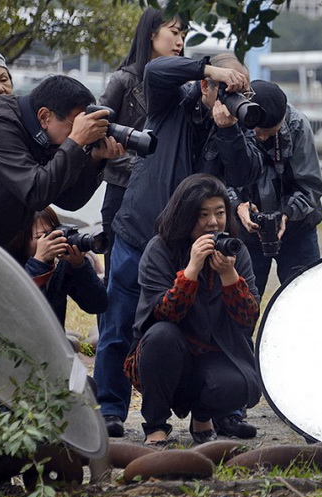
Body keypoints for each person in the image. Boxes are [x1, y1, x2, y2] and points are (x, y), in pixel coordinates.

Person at [95, 52, 257, 438]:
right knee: (120, 325)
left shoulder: (237, 123)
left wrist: (229, 130)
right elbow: (155, 70)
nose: (235, 96)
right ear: (205, 84)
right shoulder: (172, 103)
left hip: (200, 241)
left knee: (213, 326)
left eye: (242, 89)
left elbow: (246, 172)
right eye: (226, 87)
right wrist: (212, 69)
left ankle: (221, 411)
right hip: (140, 234)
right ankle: (112, 410)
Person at [124, 174, 260, 445]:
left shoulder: (236, 251)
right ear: (185, 215)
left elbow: (248, 319)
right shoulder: (160, 249)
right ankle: (155, 425)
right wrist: (192, 270)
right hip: (166, 353)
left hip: (214, 353)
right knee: (162, 335)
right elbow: (164, 315)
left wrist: (229, 276)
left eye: (220, 213)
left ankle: (202, 415)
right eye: (203, 214)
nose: (213, 222)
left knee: (240, 384)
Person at [0, 75, 124, 248]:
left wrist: (94, 160)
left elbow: (69, 200)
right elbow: (36, 193)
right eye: (75, 126)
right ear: (45, 116)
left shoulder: (39, 132)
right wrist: (75, 141)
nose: (78, 133)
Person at [97, 8, 187, 281]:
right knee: (118, 278)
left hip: (165, 195)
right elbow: (96, 130)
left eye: (183, 35)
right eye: (174, 32)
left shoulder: (183, 86)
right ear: (151, 34)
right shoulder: (123, 81)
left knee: (162, 277)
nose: (180, 42)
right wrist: (141, 166)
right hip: (123, 190)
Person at [234, 80, 322, 297]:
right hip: (245, 229)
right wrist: (237, 205)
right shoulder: (234, 121)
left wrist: (286, 213)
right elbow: (219, 179)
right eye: (258, 132)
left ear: (282, 120)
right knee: (241, 301)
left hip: (297, 229)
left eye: (270, 133)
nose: (262, 137)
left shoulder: (298, 125)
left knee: (305, 296)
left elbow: (310, 185)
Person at [5, 207, 107, 326]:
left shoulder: (60, 262)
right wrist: (39, 262)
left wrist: (80, 266)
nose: (51, 242)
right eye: (41, 237)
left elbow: (97, 305)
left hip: (52, 336)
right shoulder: (5, 262)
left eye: (54, 234)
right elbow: (17, 311)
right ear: (20, 238)